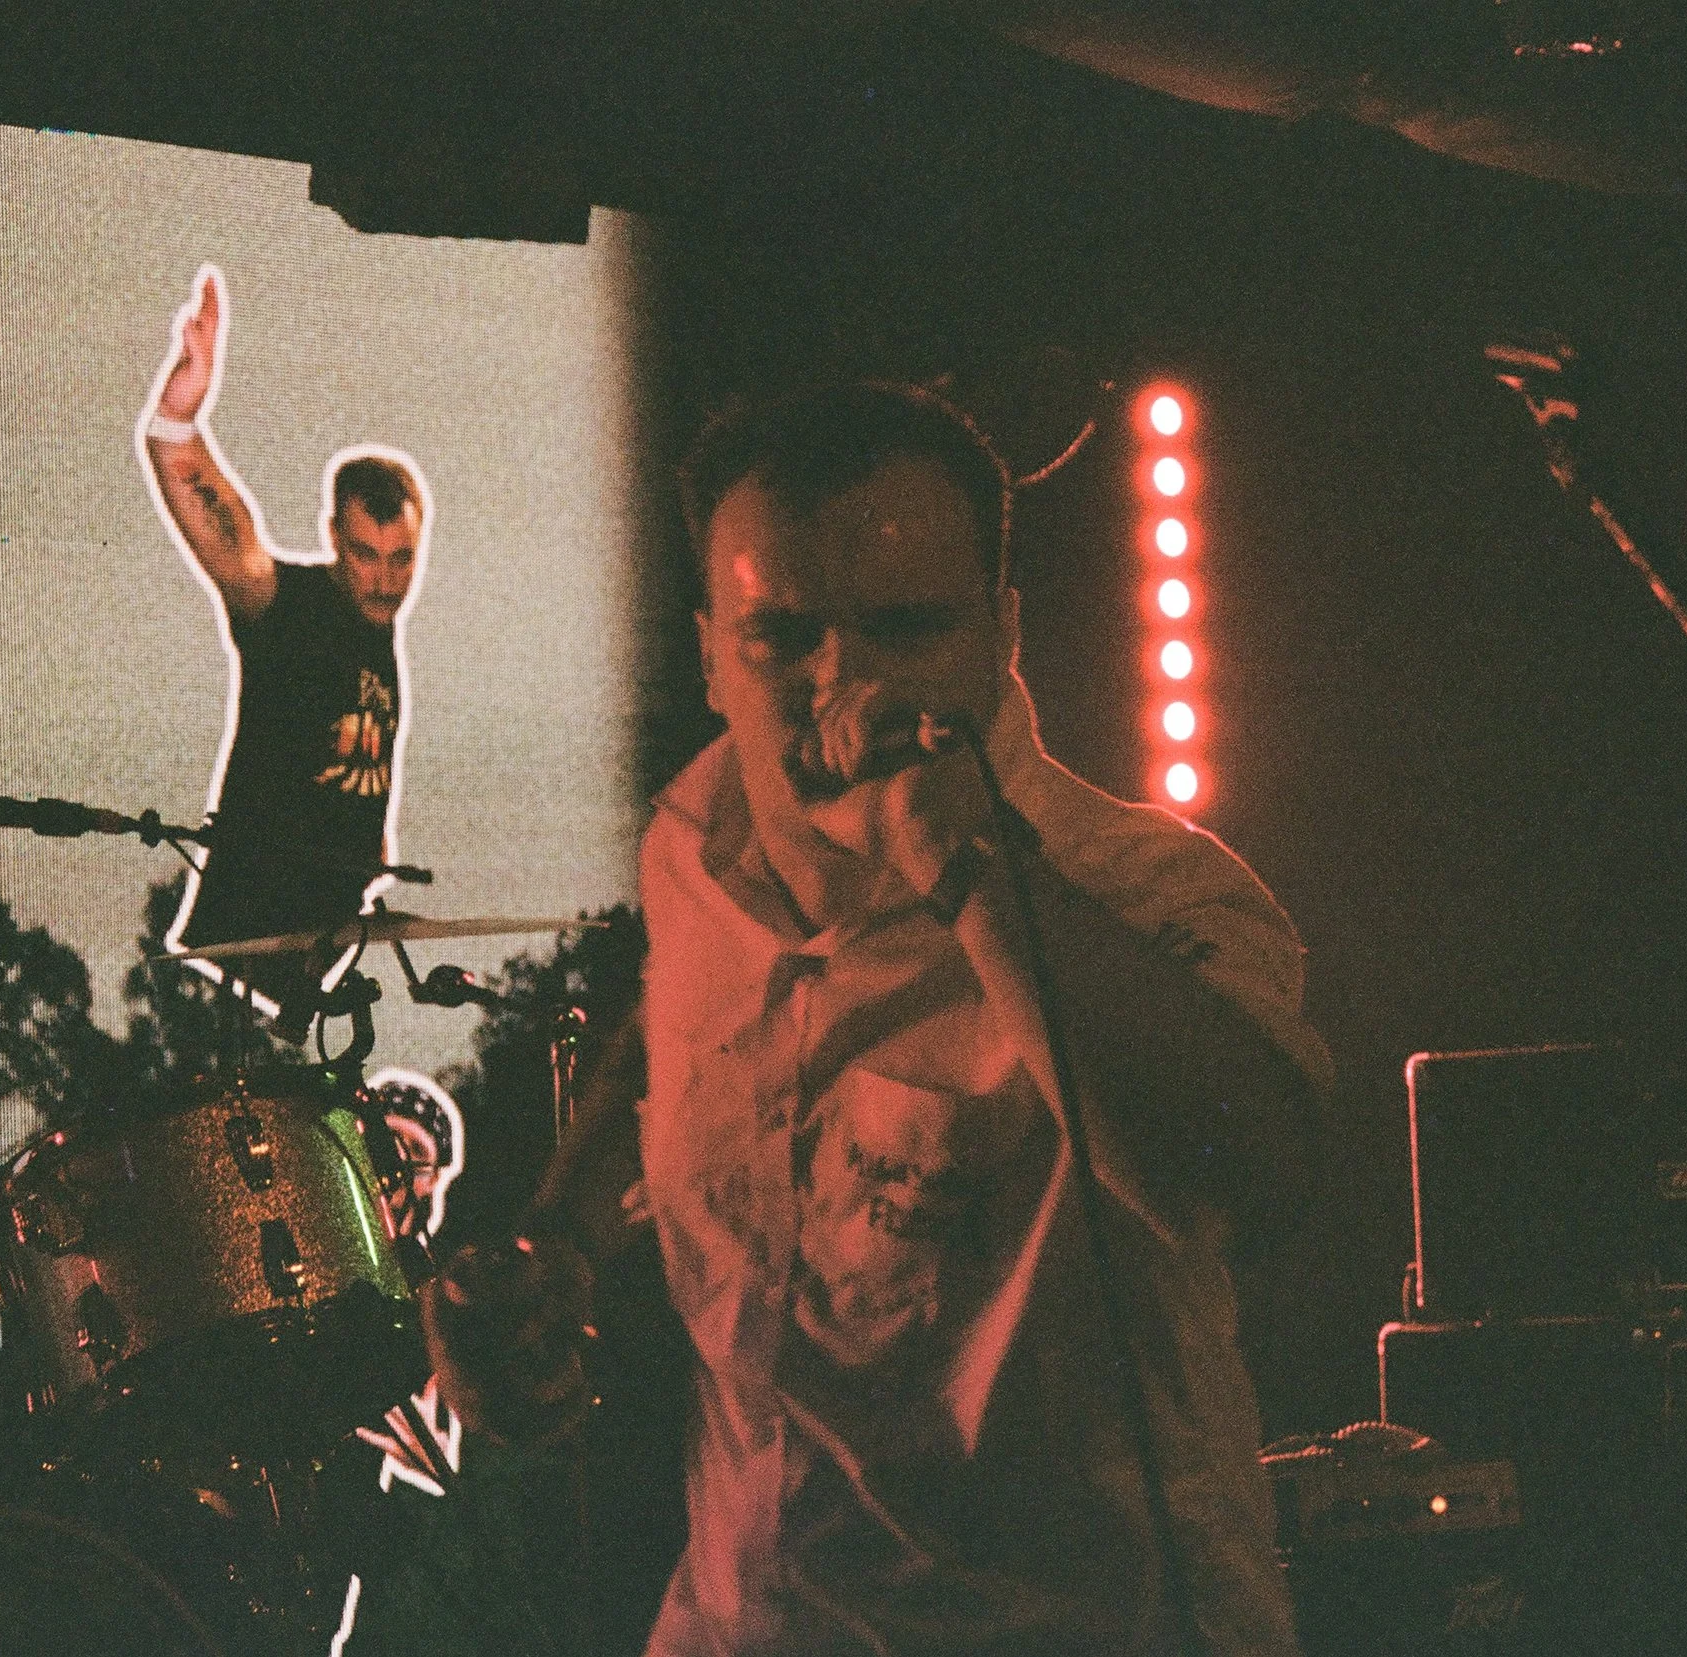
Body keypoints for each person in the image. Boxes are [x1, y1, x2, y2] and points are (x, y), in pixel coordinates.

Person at [426, 382, 1332, 1655]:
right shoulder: (692, 845)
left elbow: (1259, 1179)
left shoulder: (1139, 895)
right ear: (709, 654)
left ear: (1002, 633)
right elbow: (672, 1035)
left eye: (906, 627)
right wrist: (560, 1240)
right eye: (782, 636)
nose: (844, 678)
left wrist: (963, 863)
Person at [137, 265, 431, 991]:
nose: (384, 579)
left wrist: (368, 843)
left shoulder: (380, 635)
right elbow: (228, 536)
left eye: (400, 558)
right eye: (364, 556)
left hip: (313, 956)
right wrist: (178, 416)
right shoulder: (288, 608)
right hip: (240, 960)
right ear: (333, 539)